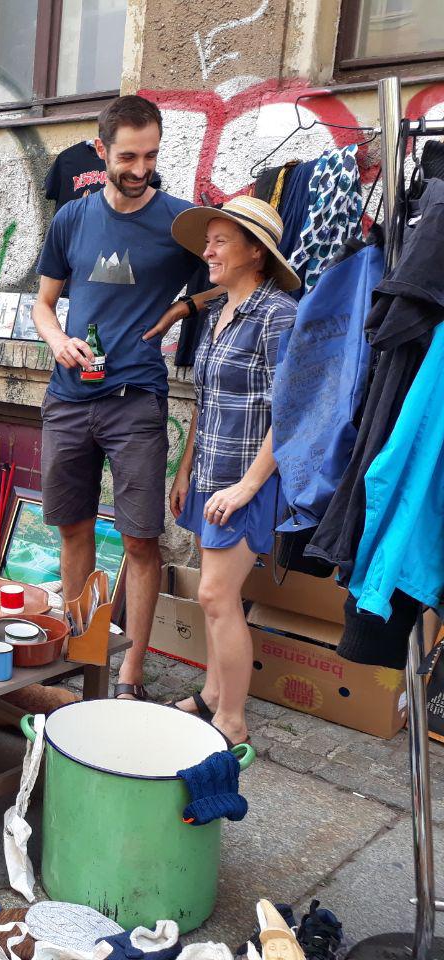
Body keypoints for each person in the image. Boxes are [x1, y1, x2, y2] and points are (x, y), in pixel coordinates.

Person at [33, 95, 222, 701]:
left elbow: (236, 277)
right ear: (102, 151)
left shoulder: (182, 221)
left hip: (136, 399)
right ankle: (82, 651)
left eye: (151, 156)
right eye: (129, 157)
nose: (141, 169)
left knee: (141, 540)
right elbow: (43, 305)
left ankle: (130, 675)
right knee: (73, 529)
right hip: (68, 398)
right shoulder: (72, 219)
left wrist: (180, 309)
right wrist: (58, 340)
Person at [168, 195, 300, 745]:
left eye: (221, 242)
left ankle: (232, 721)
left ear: (256, 252)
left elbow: (291, 411)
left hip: (249, 480)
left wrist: (248, 486)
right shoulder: (219, 310)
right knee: (214, 594)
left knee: (216, 596)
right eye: (208, 242)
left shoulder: (278, 315)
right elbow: (206, 400)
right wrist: (185, 469)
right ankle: (212, 694)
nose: (209, 251)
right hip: (209, 473)